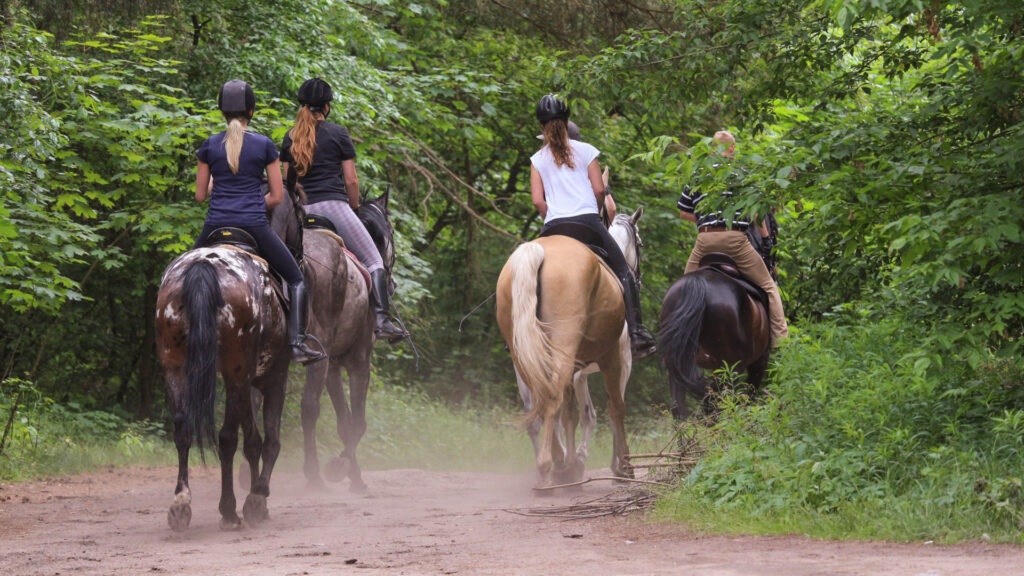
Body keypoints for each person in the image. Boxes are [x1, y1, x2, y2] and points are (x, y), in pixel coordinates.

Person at [193, 79, 326, 364]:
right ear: (251, 112)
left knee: (182, 273)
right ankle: (297, 343)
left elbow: (200, 196)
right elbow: (277, 197)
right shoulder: (265, 145)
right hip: (254, 226)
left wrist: (221, 184)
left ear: (221, 112)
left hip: (214, 226)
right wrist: (253, 203)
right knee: (296, 278)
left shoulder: (208, 146)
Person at [280, 78, 408, 343]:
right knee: (374, 261)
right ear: (326, 107)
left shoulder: (290, 136)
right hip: (333, 206)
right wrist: (353, 207)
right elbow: (351, 180)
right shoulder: (338, 133)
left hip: (300, 212)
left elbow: (288, 183)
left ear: (303, 105)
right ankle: (383, 321)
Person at [530, 94, 657, 358]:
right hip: (588, 223)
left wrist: (552, 218)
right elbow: (599, 190)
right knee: (623, 269)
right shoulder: (587, 150)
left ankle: (520, 331)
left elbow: (537, 202)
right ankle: (636, 333)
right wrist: (593, 211)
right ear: (566, 121)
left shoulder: (537, 159)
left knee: (529, 271)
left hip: (554, 225)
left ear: (541, 126)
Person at [677, 130, 789, 342]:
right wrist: (766, 241)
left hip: (705, 242)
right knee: (769, 288)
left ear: (712, 149)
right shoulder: (742, 173)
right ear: (732, 149)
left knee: (684, 289)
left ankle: (678, 342)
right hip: (735, 241)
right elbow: (756, 215)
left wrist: (704, 221)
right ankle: (782, 345)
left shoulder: (699, 175)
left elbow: (683, 212)